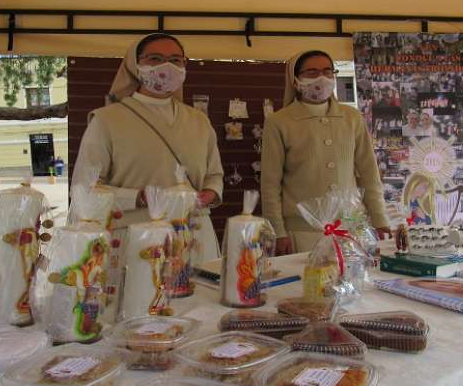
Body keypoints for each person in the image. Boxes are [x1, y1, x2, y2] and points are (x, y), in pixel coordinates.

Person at [72, 33, 224, 263]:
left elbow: (214, 174)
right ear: (136, 65)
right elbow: (84, 189)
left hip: (195, 237)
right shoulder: (106, 120)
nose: (167, 66)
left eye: (176, 59)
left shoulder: (199, 121)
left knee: (200, 298)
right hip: (137, 241)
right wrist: (137, 197)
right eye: (155, 58)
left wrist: (210, 193)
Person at [261, 50, 390, 255]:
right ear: (295, 80)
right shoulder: (279, 122)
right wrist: (278, 231)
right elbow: (270, 184)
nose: (321, 77)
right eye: (312, 72)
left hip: (351, 227)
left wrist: (379, 219)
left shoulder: (351, 118)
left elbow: (369, 174)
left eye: (327, 71)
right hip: (302, 233)